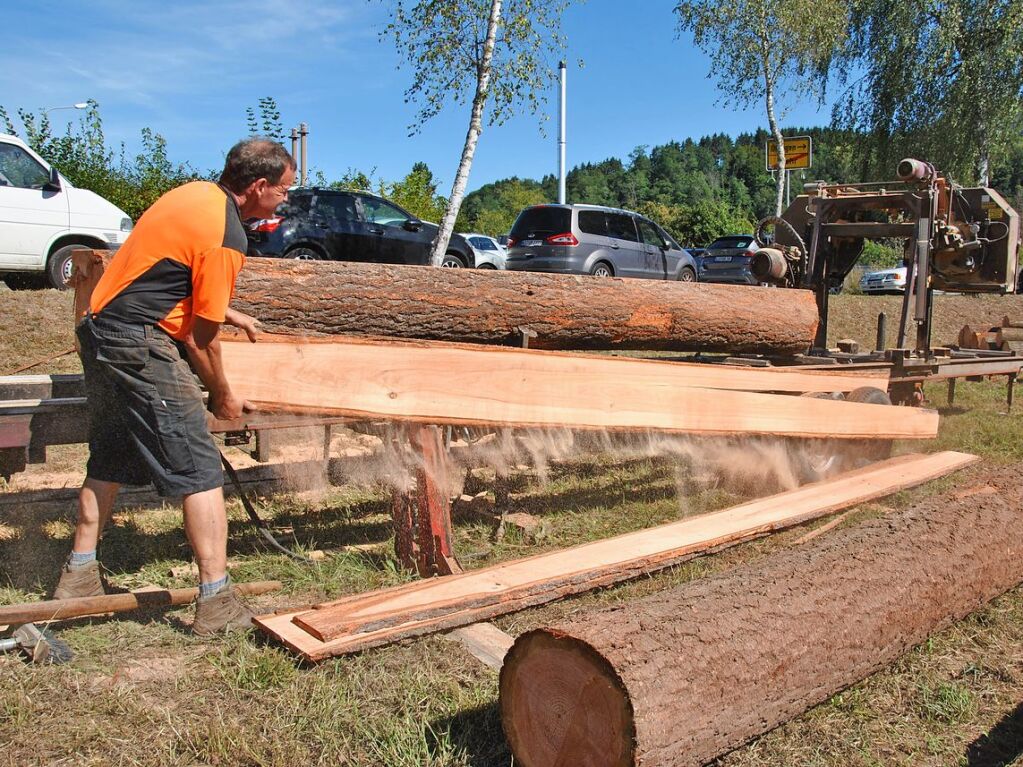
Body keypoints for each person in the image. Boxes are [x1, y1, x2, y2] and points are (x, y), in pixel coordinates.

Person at [53, 138, 296, 635]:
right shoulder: (227, 235)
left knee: (111, 455)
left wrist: (227, 309)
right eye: (284, 190)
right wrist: (222, 394)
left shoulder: (192, 196)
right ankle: (216, 602)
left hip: (100, 327)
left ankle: (78, 577)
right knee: (199, 466)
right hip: (138, 340)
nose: (287, 199)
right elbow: (200, 339)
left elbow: (163, 270)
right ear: (259, 186)